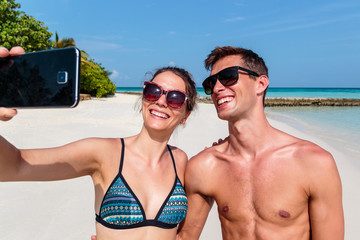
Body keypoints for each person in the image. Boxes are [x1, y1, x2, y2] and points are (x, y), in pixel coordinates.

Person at [0, 46, 197, 240]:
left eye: (175, 97)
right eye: (154, 91)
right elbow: (15, 166)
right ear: (144, 98)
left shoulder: (180, 160)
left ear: (185, 115)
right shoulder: (103, 152)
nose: (161, 101)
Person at [176, 46, 344, 240]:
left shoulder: (314, 163)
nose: (216, 88)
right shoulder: (205, 166)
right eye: (210, 83)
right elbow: (184, 238)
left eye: (229, 77)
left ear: (261, 83)